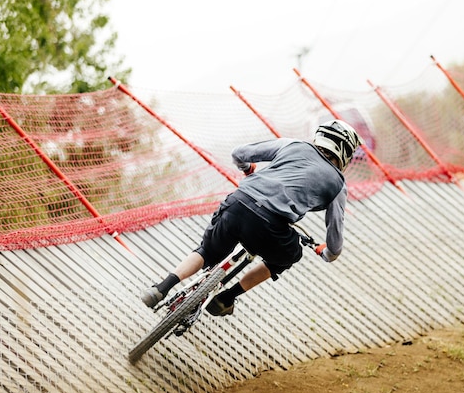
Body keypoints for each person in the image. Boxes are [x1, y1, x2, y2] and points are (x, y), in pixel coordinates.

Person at [141, 119, 362, 316]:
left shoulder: (292, 145)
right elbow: (335, 241)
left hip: (238, 202)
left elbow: (239, 153)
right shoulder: (338, 184)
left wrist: (247, 169)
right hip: (271, 226)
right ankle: (226, 298)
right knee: (289, 255)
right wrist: (327, 253)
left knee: (207, 251)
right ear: (345, 152)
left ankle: (161, 288)